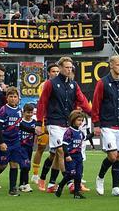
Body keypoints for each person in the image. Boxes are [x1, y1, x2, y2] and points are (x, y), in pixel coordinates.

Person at [36, 56, 91, 193]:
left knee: (56, 154)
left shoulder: (73, 84)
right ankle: (71, 182)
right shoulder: (51, 84)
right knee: (61, 150)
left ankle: (51, 184)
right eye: (66, 67)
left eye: (70, 67)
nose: (69, 69)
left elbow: (82, 100)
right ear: (60, 68)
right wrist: (38, 122)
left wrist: (94, 114)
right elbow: (42, 102)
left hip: (68, 123)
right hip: (54, 122)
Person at [91, 55, 119, 197]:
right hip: (107, 124)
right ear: (111, 66)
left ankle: (116, 187)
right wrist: (96, 124)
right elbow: (96, 103)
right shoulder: (102, 83)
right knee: (112, 156)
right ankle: (100, 177)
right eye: (118, 64)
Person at [0, 87, 24, 196]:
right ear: (7, 98)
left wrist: (32, 130)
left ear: (18, 98)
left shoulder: (19, 110)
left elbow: (19, 124)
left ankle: (12, 189)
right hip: (5, 141)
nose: (13, 99)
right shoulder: (3, 110)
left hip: (15, 141)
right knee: (2, 165)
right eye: (11, 96)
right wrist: (1, 142)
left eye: (15, 97)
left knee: (14, 164)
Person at [32, 63, 60, 185]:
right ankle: (35, 174)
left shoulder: (62, 84)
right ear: (48, 73)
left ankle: (49, 178)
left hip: (57, 121)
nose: (56, 73)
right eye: (53, 71)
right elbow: (44, 102)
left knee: (56, 152)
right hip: (45, 120)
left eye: (57, 71)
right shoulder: (44, 85)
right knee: (41, 148)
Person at [54, 110, 87, 199]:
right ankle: (60, 185)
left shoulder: (80, 132)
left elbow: (85, 138)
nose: (80, 122)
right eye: (78, 120)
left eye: (81, 120)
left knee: (79, 174)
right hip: (71, 156)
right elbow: (64, 144)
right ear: (73, 120)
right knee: (71, 173)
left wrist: (93, 134)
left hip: (79, 156)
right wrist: (67, 155)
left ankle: (77, 193)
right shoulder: (69, 131)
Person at [16, 103, 37, 193]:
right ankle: (26, 184)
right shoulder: (20, 122)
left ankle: (22, 184)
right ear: (23, 112)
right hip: (21, 147)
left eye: (31, 112)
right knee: (25, 164)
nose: (29, 114)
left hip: (29, 147)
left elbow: (36, 133)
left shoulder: (34, 123)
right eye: (28, 112)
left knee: (26, 167)